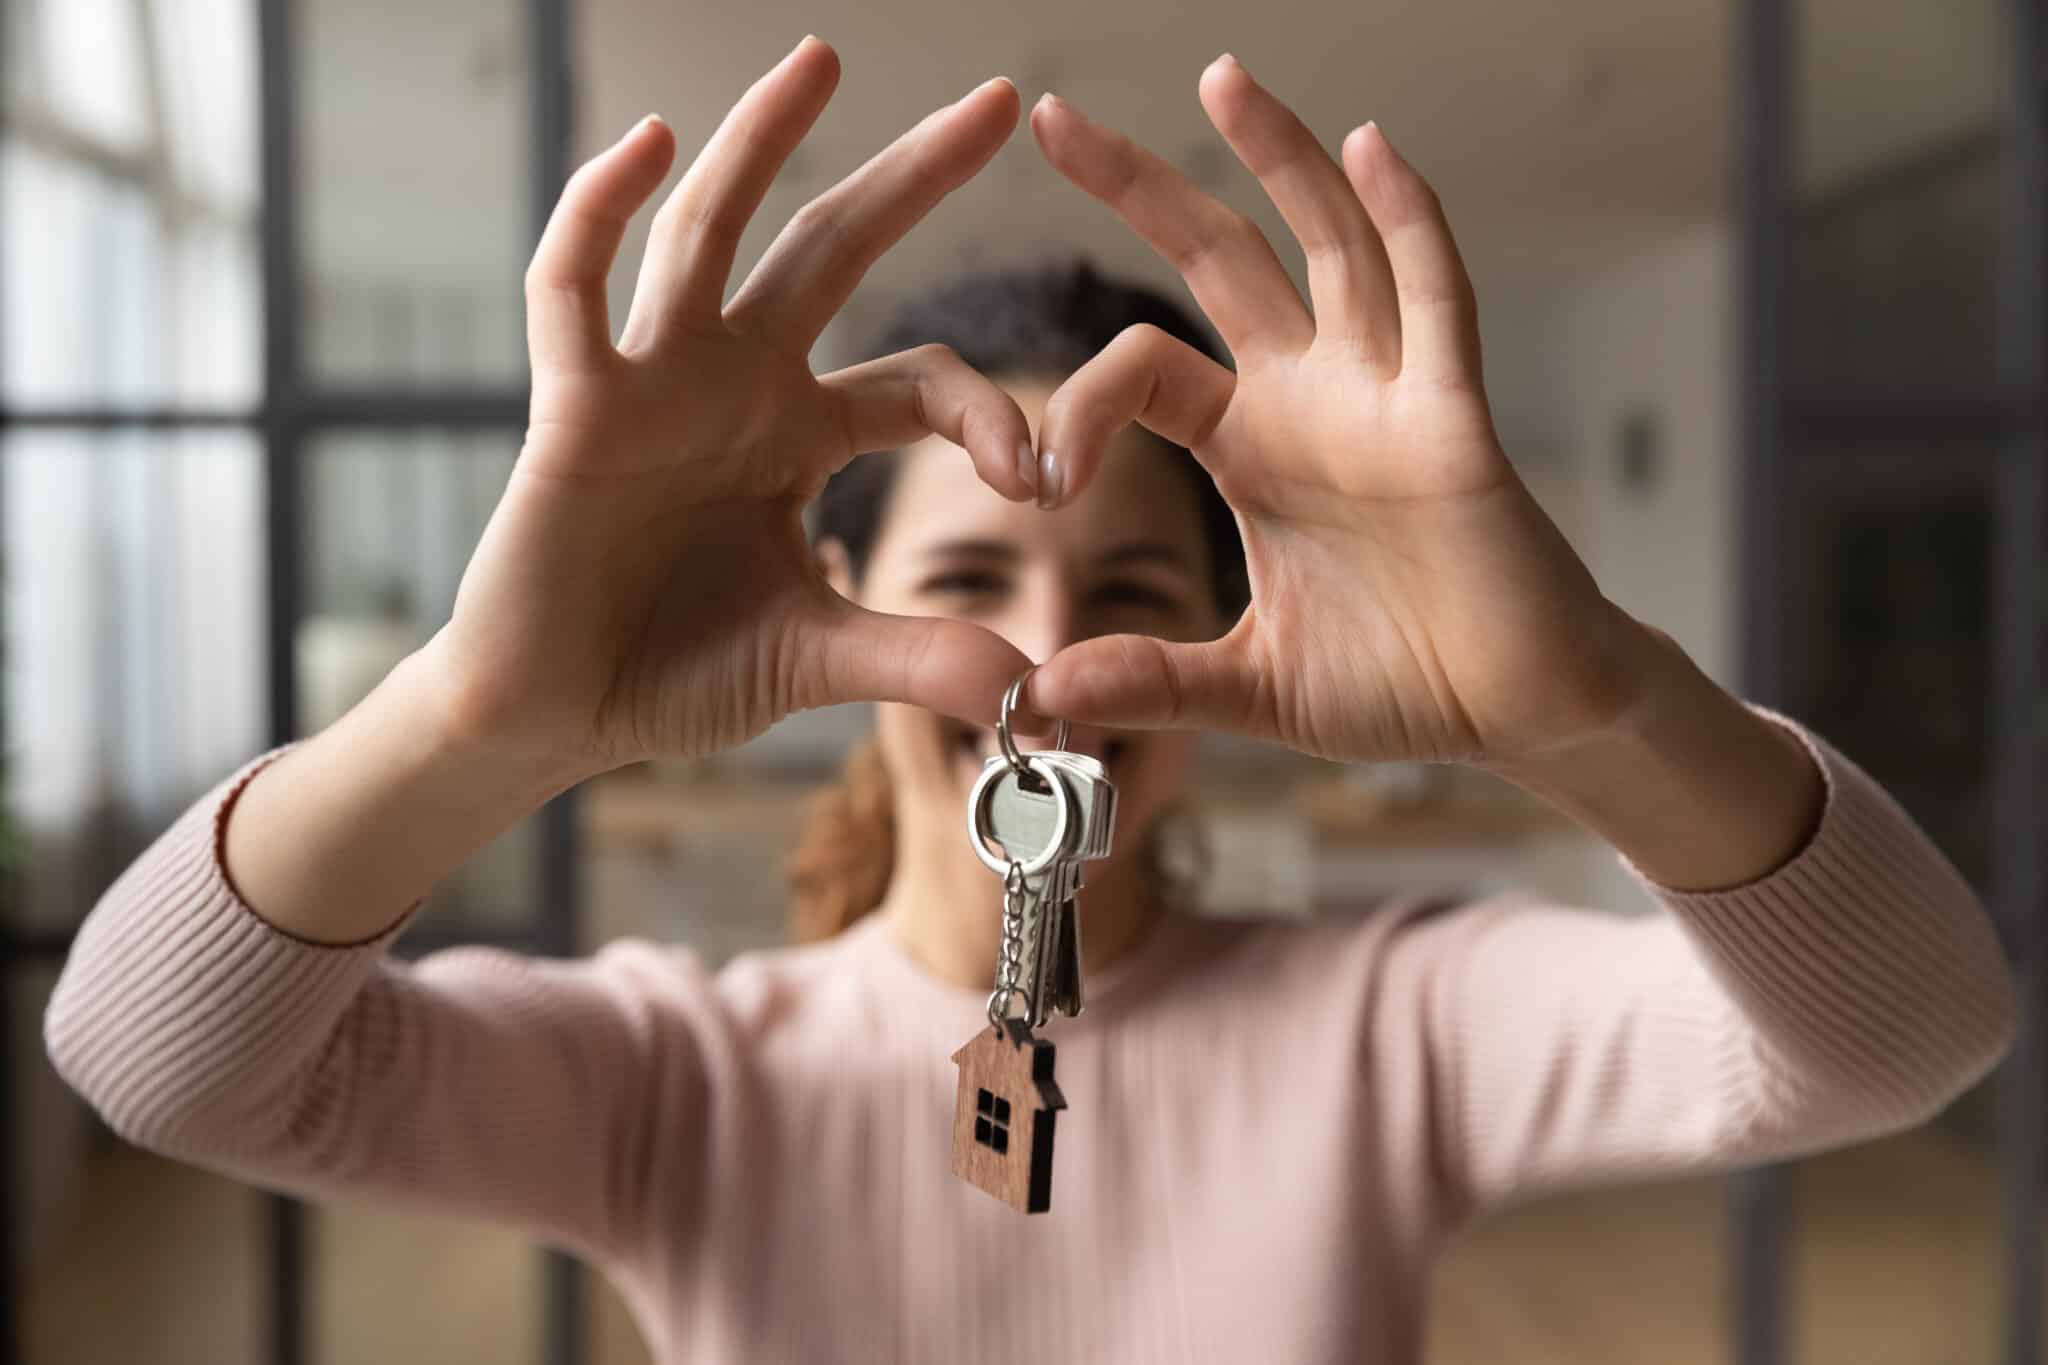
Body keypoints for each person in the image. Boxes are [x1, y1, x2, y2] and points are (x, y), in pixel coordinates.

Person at [45, 38, 2014, 1363]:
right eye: (971, 581)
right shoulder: (678, 1067)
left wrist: (1588, 701)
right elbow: (155, 1054)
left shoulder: (1388, 1018)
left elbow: (1903, 1032)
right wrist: (478, 713)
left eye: (1133, 593)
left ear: (1235, 653)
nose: (1043, 672)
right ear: (831, 613)